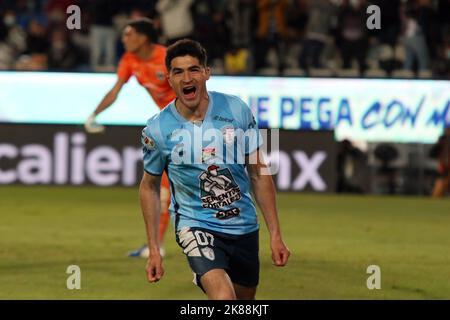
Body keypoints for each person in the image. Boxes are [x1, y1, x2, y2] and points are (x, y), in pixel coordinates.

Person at [139, 39, 290, 300]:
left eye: (194, 69)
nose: (187, 78)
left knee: (244, 299)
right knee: (224, 298)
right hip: (195, 224)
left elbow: (258, 172)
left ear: (207, 73)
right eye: (178, 72)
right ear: (169, 79)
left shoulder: (237, 109)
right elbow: (149, 187)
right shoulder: (157, 129)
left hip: (243, 225)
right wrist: (154, 248)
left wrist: (275, 234)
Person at [84, 18, 175, 257]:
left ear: (143, 38)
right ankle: (156, 245)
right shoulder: (130, 60)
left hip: (189, 127)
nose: (123, 39)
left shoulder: (166, 59)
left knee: (170, 186)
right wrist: (93, 114)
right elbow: (115, 91)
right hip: (169, 128)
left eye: (128, 34)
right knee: (161, 186)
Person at [430, 128, 450, 198]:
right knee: (440, 183)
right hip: (443, 167)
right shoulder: (442, 140)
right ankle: (436, 198)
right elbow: (432, 153)